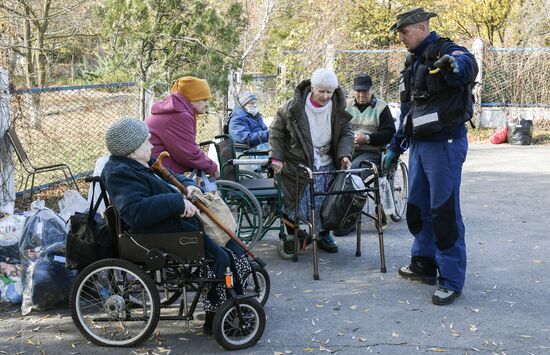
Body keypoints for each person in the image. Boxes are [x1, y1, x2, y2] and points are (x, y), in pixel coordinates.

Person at [100, 117, 250, 334]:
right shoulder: (120, 173)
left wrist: (188, 187)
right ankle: (217, 317)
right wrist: (177, 203)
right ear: (132, 151)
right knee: (221, 257)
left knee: (231, 248)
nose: (151, 146)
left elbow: (172, 177)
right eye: (146, 142)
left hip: (172, 225)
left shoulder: (139, 162)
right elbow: (135, 212)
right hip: (155, 233)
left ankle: (234, 301)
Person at [384, 8, 478, 305]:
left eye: (404, 32)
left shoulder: (447, 51)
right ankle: (424, 263)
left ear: (422, 27)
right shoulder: (412, 62)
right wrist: (395, 146)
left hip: (445, 144)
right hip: (419, 144)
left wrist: (455, 66)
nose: (401, 38)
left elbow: (468, 63)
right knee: (418, 207)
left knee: (444, 211)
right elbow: (408, 111)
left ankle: (451, 278)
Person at [269, 68, 354, 253]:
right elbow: (276, 133)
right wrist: (277, 157)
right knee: (295, 200)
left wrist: (345, 154)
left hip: (327, 161)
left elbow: (347, 133)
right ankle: (296, 233)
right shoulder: (291, 108)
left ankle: (324, 235)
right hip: (297, 162)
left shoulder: (338, 107)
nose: (325, 96)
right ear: (312, 87)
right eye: (321, 91)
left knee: (327, 202)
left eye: (329, 92)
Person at [333, 74, 396, 236]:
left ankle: (350, 220)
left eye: (364, 92)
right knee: (331, 170)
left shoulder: (381, 108)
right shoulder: (347, 107)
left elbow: (389, 133)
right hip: (349, 150)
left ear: (372, 91)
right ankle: (335, 215)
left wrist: (367, 138)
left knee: (353, 172)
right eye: (358, 91)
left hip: (372, 153)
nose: (361, 95)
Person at [145, 76, 219, 177]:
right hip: (157, 171)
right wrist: (212, 168)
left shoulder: (176, 110)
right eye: (204, 100)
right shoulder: (179, 115)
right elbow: (188, 153)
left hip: (153, 164)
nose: (207, 104)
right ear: (192, 98)